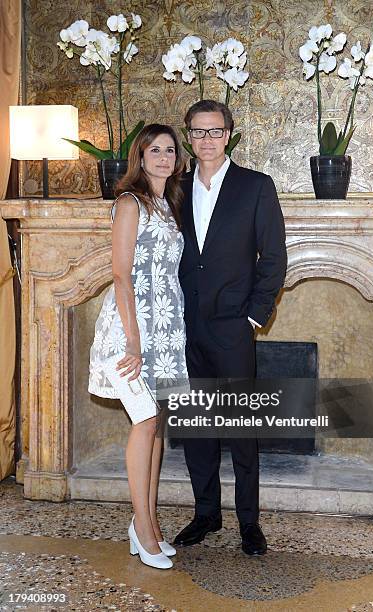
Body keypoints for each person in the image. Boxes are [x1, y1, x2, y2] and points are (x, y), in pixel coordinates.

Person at [175, 100, 287, 556]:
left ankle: (249, 523)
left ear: (229, 134)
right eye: (198, 132)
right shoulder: (174, 188)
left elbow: (274, 258)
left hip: (233, 327)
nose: (206, 139)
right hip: (185, 327)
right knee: (198, 427)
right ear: (189, 136)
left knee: (242, 428)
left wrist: (254, 316)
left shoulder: (256, 187)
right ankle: (205, 515)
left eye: (214, 131)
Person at [88, 124, 188, 569]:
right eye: (154, 151)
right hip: (130, 332)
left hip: (164, 330)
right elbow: (122, 274)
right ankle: (143, 530)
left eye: (169, 150)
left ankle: (147, 523)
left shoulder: (167, 205)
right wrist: (133, 339)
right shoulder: (129, 203)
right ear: (140, 157)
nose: (163, 157)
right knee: (144, 420)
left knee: (156, 424)